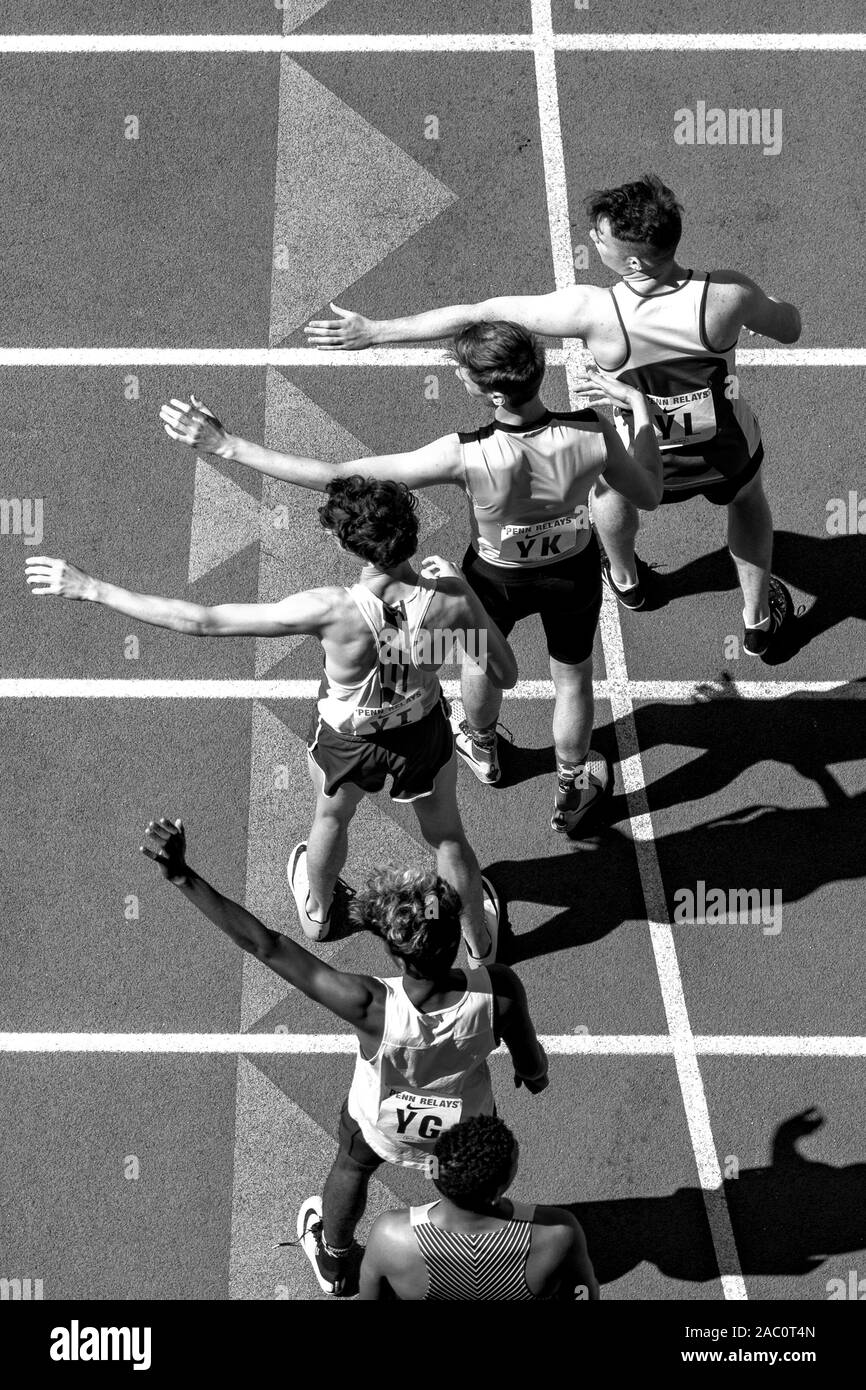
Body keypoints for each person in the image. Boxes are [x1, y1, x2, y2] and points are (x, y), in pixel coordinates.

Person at [159, 320, 661, 833]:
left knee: (478, 658)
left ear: (491, 393)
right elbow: (648, 493)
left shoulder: (463, 453)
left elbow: (340, 474)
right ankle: (573, 784)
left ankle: (483, 749)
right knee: (573, 678)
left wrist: (228, 447)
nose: (458, 377)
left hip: (494, 578)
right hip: (569, 574)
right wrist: (641, 412)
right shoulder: (592, 431)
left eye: (464, 373)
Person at [305, 172, 802, 659]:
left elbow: (478, 314)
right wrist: (761, 308)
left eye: (600, 237)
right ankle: (758, 621)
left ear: (631, 260)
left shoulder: (593, 311)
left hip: (644, 456)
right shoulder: (728, 296)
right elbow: (790, 327)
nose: (592, 240)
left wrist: (376, 332)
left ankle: (628, 583)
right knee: (746, 500)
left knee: (608, 489)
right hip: (724, 449)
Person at [25, 476, 517, 965]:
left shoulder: (329, 610)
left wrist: (93, 588)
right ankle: (480, 945)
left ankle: (320, 913)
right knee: (448, 839)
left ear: (351, 544)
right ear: (410, 530)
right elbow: (503, 672)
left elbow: (203, 621)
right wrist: (461, 594)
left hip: (348, 742)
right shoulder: (450, 600)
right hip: (421, 735)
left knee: (330, 818)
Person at [139, 819, 550, 1297]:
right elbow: (529, 1056)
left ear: (396, 955)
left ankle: (334, 1263)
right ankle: (479, 1260)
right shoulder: (498, 990)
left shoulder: (369, 1004)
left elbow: (265, 945)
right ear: (457, 939)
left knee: (353, 1167)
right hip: (466, 1128)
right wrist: (533, 1072)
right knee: (470, 1187)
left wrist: (182, 875)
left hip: (380, 1121)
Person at [358, 1114, 599, 1301]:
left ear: (432, 1171)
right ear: (501, 1185)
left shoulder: (389, 1236)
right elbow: (582, 1291)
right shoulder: (558, 1232)